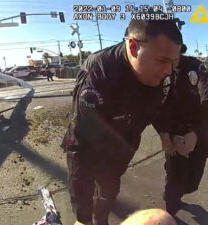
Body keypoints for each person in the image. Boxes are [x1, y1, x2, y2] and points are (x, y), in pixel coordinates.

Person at [61, 16, 182, 225]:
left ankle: (101, 219)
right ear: (134, 46)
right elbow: (81, 144)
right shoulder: (100, 72)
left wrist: (166, 133)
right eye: (162, 60)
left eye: (173, 62)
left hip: (122, 149)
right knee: (83, 191)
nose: (168, 71)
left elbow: (162, 108)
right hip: (87, 143)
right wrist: (82, 219)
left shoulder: (162, 76)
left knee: (108, 192)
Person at [157, 45, 208, 216]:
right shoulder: (159, 70)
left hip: (198, 127)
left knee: (193, 178)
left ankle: (177, 193)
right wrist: (165, 136)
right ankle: (170, 208)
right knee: (174, 174)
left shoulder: (195, 67)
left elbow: (206, 98)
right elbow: (155, 107)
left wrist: (195, 133)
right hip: (173, 129)